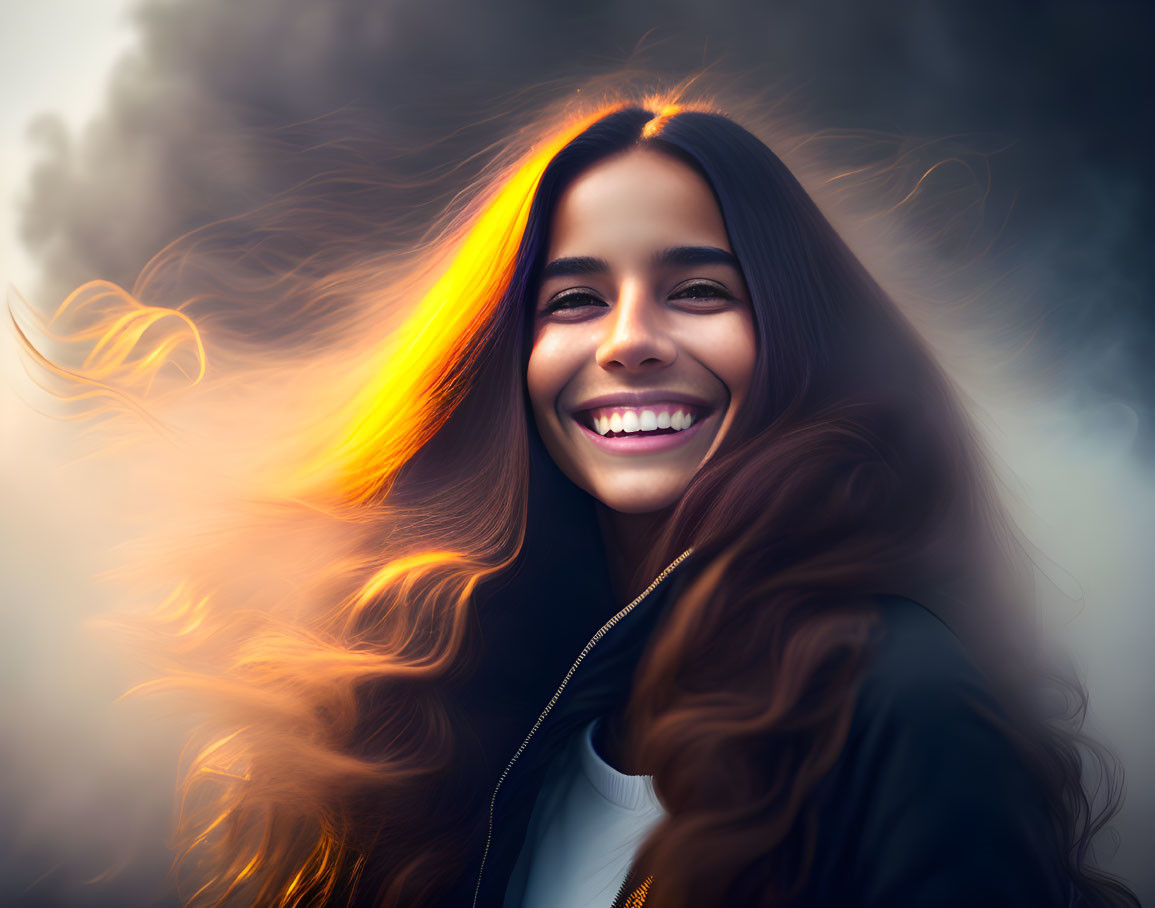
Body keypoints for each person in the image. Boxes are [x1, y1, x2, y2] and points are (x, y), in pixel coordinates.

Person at [17, 88, 1140, 907]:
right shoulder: (475, 714)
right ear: (508, 358)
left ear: (800, 334)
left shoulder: (905, 703)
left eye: (699, 289)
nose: (630, 342)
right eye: (572, 299)